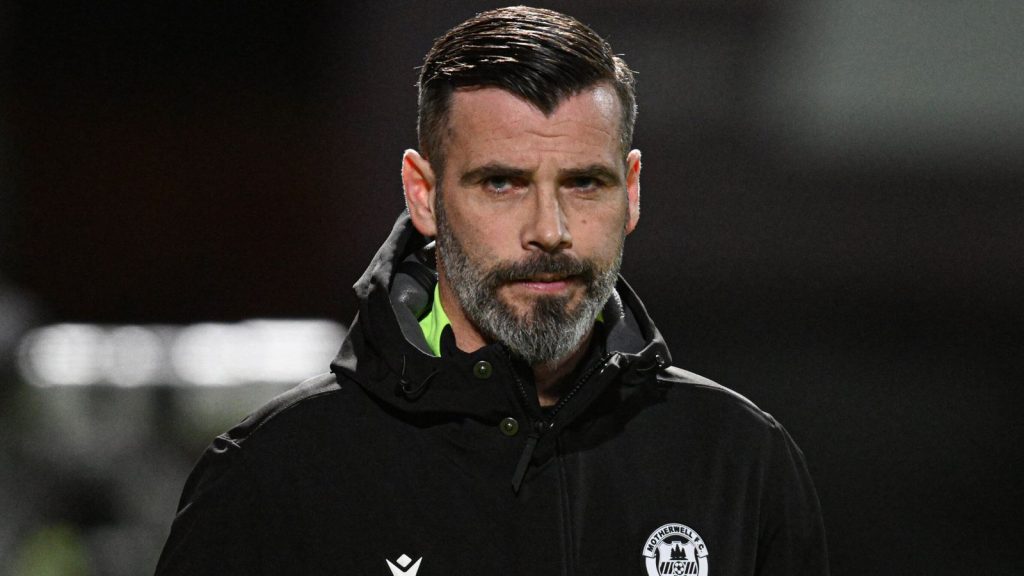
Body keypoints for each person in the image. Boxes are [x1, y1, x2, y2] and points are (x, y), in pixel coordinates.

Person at [155, 6, 828, 575]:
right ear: (423, 193)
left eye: (583, 183)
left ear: (632, 190)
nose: (550, 230)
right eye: (502, 183)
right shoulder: (276, 475)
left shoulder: (737, 461)